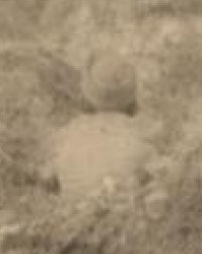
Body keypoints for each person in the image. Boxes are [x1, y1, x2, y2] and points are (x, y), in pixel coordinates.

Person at [42, 52, 153, 200]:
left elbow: (47, 178)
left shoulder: (65, 134)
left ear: (87, 94)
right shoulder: (143, 136)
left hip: (74, 216)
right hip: (126, 215)